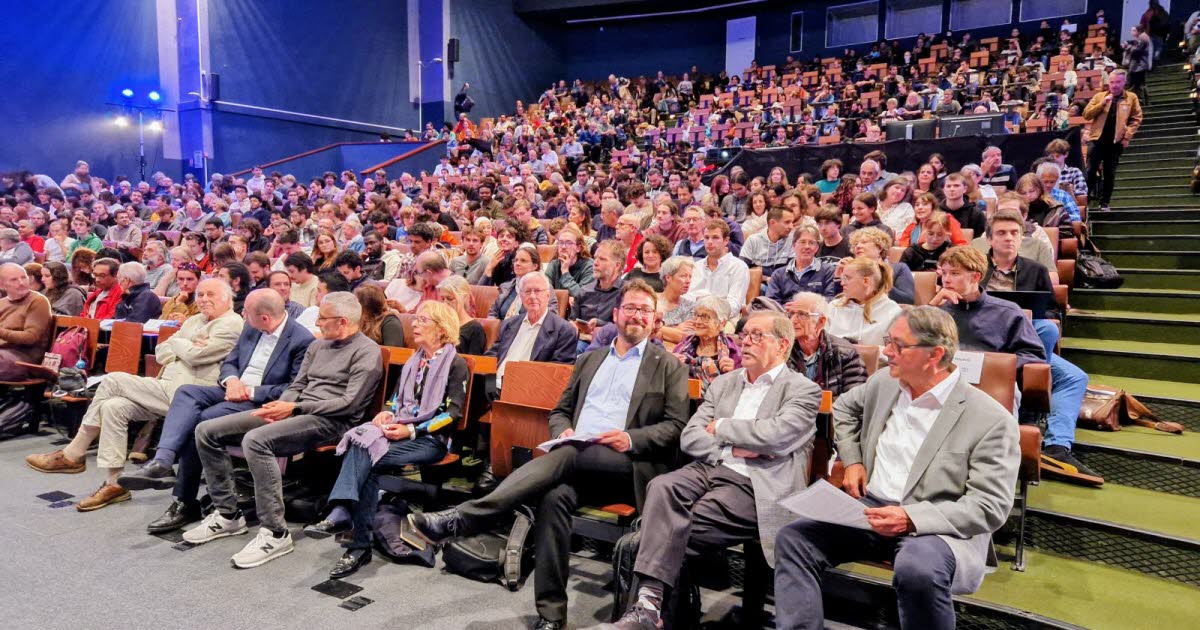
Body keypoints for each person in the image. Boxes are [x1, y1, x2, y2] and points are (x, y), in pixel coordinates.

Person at [409, 280, 690, 630]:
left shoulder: (668, 365)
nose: (637, 316)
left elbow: (677, 426)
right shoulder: (590, 360)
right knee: (554, 498)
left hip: (628, 466)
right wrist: (563, 432)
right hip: (578, 459)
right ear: (616, 314)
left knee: (570, 455)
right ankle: (551, 615)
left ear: (655, 320)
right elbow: (560, 411)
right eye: (630, 308)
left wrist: (629, 438)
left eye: (645, 310)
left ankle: (465, 518)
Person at [774, 306, 1020, 630]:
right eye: (888, 341)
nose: (886, 351)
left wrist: (910, 518)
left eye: (898, 345)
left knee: (918, 569)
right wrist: (853, 460)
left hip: (933, 524)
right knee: (794, 539)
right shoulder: (885, 383)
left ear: (934, 355)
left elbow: (989, 506)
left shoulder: (991, 419)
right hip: (870, 508)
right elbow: (844, 407)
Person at [612, 310, 822, 629]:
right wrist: (732, 446)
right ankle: (650, 611)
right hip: (710, 467)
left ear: (781, 345)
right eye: (744, 334)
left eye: (756, 335)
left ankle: (650, 612)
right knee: (661, 487)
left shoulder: (803, 390)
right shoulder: (724, 383)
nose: (745, 341)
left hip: (755, 484)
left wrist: (722, 426)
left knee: (658, 535)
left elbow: (777, 434)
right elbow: (691, 436)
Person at [182, 292, 384, 569]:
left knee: (256, 440)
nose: (318, 323)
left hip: (333, 422)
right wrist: (281, 405)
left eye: (323, 318)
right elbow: (298, 385)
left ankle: (275, 532)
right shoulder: (318, 345)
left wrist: (296, 408)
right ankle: (228, 514)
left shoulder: (366, 351)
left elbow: (350, 404)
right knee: (206, 430)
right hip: (298, 411)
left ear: (342, 321)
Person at [26, 279, 242, 510]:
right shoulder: (194, 321)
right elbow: (161, 351)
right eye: (200, 295)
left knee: (112, 379)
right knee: (113, 407)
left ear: (228, 299)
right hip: (164, 387)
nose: (203, 299)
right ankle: (115, 483)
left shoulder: (231, 323)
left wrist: (180, 344)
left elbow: (197, 357)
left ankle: (74, 452)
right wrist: (186, 344)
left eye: (211, 294)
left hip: (190, 396)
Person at [116, 290, 314, 533]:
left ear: (264, 317)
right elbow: (230, 362)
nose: (242, 315)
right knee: (187, 392)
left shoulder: (302, 340)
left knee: (199, 423)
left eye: (246, 312)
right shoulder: (251, 328)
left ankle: (184, 501)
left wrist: (249, 392)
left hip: (260, 403)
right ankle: (163, 459)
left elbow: (293, 389)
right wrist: (231, 380)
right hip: (232, 391)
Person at [304, 300, 470, 577]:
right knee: (362, 442)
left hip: (432, 441)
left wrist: (412, 430)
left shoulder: (456, 364)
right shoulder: (413, 360)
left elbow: (452, 414)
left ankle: (350, 529)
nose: (414, 324)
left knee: (369, 454)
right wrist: (385, 414)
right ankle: (355, 536)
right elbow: (395, 401)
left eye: (423, 320)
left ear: (441, 330)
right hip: (397, 433)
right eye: (415, 319)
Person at [485, 273, 578, 396]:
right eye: (528, 291)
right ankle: (451, 414)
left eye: (538, 291)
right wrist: (489, 384)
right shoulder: (509, 324)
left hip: (528, 390)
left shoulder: (564, 330)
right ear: (521, 297)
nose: (532, 296)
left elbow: (558, 372)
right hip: (494, 385)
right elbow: (492, 356)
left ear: (548, 295)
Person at [784, 293, 868, 396]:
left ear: (821, 321)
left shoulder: (846, 353)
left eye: (801, 314)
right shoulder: (782, 351)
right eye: (791, 314)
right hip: (791, 411)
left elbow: (854, 399)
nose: (793, 320)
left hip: (833, 411)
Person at [1082, 69, 1141, 212]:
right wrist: (1102, 104)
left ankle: (1105, 203)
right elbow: (1086, 115)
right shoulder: (1099, 96)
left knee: (1110, 173)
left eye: (1118, 82)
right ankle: (1084, 203)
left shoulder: (1131, 98)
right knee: (1090, 171)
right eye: (1112, 82)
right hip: (1097, 139)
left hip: (1115, 142)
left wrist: (1127, 136)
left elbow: (1136, 119)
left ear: (1124, 82)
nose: (1114, 85)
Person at [672, 295, 742, 390]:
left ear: (722, 323)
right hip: (682, 398)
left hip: (717, 402)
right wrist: (672, 364)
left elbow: (741, 386)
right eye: (696, 315)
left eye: (705, 317)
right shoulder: (684, 346)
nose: (697, 321)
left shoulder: (733, 352)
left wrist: (732, 373)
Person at [827, 258, 901, 346]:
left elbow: (896, 353)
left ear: (866, 281)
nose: (842, 283)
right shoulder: (833, 307)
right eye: (842, 277)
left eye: (847, 278)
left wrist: (869, 353)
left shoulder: (892, 312)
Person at [685, 219, 750, 316]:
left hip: (724, 318)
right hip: (692, 316)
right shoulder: (696, 266)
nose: (710, 242)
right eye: (706, 238)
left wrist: (707, 311)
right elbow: (685, 298)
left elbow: (733, 305)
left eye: (715, 237)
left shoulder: (738, 267)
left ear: (726, 241)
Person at [0, 263, 53, 380]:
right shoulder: (2, 303)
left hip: (24, 358)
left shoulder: (38, 301)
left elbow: (31, 337)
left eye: (24, 277)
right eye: (14, 279)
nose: (21, 282)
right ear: (2, 285)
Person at [766, 224, 837, 303]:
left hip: (815, 313)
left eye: (811, 243)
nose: (807, 246)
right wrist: (789, 309)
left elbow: (831, 300)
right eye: (802, 242)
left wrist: (805, 306)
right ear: (793, 245)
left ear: (817, 247)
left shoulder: (828, 271)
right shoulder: (778, 274)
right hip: (785, 313)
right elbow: (772, 303)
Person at [847, 227, 915, 305]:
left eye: (864, 242)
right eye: (855, 244)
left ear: (879, 248)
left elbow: (908, 301)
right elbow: (839, 298)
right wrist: (838, 277)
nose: (858, 246)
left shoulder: (898, 268)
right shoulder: (850, 271)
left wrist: (879, 280)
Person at [490, 243, 558, 319]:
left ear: (535, 266)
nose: (517, 263)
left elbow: (551, 316)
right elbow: (493, 313)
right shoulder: (506, 287)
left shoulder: (544, 287)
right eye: (516, 260)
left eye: (523, 261)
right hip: (503, 328)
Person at [572, 240, 626, 335]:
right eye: (595, 258)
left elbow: (625, 327)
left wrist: (600, 324)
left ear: (617, 265)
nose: (595, 263)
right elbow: (572, 320)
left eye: (602, 259)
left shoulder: (627, 293)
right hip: (580, 339)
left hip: (609, 343)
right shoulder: (584, 290)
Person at [740, 206, 796, 280]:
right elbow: (741, 270)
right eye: (787, 222)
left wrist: (761, 270)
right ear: (772, 223)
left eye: (792, 222)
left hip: (783, 284)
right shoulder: (753, 241)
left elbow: (791, 272)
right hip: (758, 284)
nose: (791, 226)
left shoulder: (793, 240)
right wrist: (765, 278)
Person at [437, 275, 487, 355]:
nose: (445, 303)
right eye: (442, 299)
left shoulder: (475, 329)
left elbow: (474, 362)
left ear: (464, 298)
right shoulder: (438, 323)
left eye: (450, 298)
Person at [544, 224, 594, 299]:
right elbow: (544, 291)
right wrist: (565, 299)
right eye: (560, 242)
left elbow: (582, 296)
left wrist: (565, 272)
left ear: (578, 248)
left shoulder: (589, 266)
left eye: (569, 243)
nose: (563, 247)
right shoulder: (554, 264)